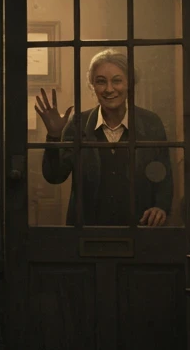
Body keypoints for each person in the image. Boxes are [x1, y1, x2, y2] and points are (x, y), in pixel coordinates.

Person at [35, 48, 171, 227]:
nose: (109, 89)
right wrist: (53, 137)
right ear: (92, 85)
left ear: (129, 83)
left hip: (139, 230)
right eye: (101, 82)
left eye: (117, 81)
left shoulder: (151, 123)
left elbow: (163, 176)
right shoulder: (77, 124)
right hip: (87, 233)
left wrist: (160, 207)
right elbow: (55, 176)